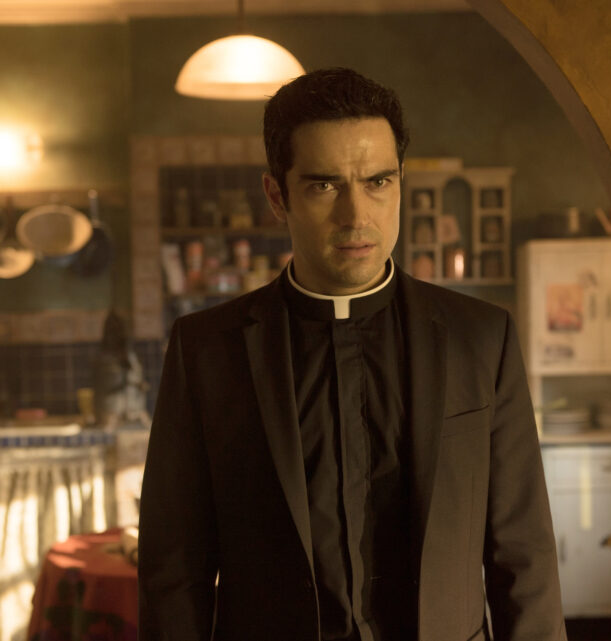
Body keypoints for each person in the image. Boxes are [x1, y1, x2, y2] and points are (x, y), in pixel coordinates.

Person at [138, 67, 566, 641]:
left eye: (377, 181)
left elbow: (524, 553)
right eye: (324, 186)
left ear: (400, 183)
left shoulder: (482, 337)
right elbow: (174, 569)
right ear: (277, 196)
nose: (356, 215)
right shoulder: (206, 350)